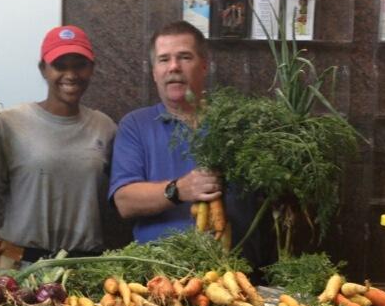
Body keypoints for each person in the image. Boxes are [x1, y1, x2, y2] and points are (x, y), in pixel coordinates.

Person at [110, 20, 267, 266]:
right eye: (164, 59)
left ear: (203, 65)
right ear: (154, 73)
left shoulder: (238, 123)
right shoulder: (136, 125)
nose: (174, 67)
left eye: (184, 57)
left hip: (234, 271)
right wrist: (179, 190)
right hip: (158, 274)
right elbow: (124, 201)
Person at [0, 25, 116, 265]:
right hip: (20, 268)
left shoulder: (105, 128)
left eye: (79, 65)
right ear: (43, 69)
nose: (71, 74)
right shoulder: (9, 124)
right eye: (60, 65)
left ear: (92, 69)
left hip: (84, 270)